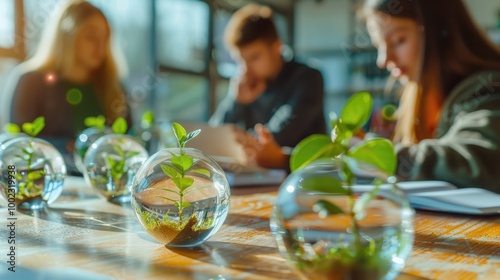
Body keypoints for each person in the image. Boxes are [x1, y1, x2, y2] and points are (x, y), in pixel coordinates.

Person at [362, 0, 500, 192]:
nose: (383, 60)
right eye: (379, 45)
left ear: (440, 33)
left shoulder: (490, 88)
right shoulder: (423, 99)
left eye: (398, 40)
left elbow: (480, 163)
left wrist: (376, 155)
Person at [1, 0, 130, 162]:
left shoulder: (114, 87)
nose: (100, 46)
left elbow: (130, 142)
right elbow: (16, 145)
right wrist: (66, 147)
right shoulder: (30, 82)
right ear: (67, 36)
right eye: (91, 37)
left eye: (105, 37)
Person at [210, 4, 326, 170]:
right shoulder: (246, 87)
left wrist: (241, 144)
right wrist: (235, 101)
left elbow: (277, 139)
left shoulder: (308, 78)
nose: (246, 69)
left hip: (306, 179)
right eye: (240, 60)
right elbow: (214, 140)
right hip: (261, 180)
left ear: (277, 47)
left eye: (254, 57)